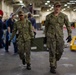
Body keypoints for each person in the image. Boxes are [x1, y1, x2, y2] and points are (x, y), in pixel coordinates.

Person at [44, 1, 72, 74]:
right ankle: (52, 66)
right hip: (51, 37)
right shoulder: (49, 16)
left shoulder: (64, 16)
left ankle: (55, 60)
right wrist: (45, 37)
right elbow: (46, 27)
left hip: (59, 36)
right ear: (54, 7)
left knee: (60, 51)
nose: (57, 8)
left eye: (59, 6)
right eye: (56, 6)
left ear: (60, 8)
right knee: (52, 52)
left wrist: (70, 34)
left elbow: (68, 25)